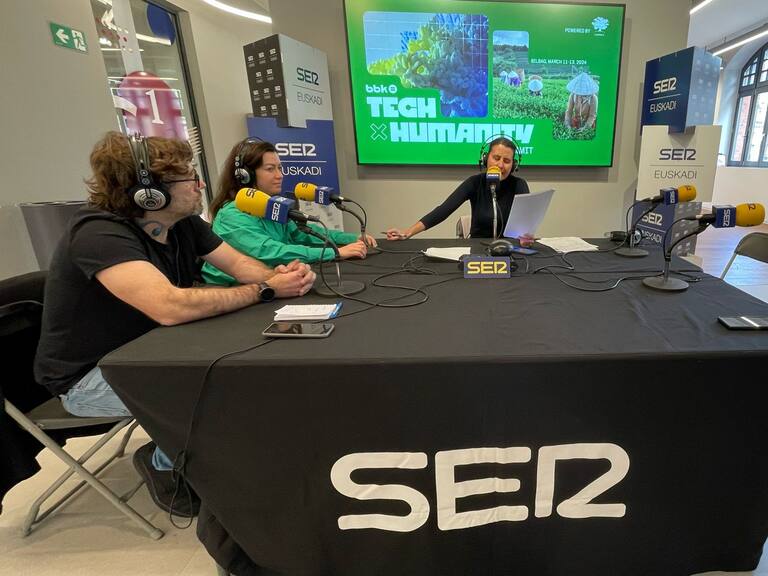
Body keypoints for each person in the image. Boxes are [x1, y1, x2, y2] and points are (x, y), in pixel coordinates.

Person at [33, 131, 316, 517]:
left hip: (150, 352)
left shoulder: (182, 222)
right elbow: (169, 307)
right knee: (220, 391)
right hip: (89, 378)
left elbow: (238, 265)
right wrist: (266, 290)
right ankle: (164, 465)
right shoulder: (98, 234)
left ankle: (191, 450)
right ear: (148, 192)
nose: (201, 184)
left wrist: (279, 277)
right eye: (189, 177)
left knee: (249, 366)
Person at [202, 139, 375, 285]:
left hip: (269, 281)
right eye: (270, 169)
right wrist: (336, 252)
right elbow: (271, 252)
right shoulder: (231, 215)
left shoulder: (270, 205)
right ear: (246, 175)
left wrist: (351, 239)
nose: (280, 175)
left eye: (280, 168)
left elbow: (302, 234)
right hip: (229, 291)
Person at [386, 137, 530, 240]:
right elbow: (443, 210)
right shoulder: (474, 183)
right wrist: (408, 232)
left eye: (506, 161)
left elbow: (526, 224)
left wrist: (526, 237)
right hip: (478, 249)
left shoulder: (519, 185)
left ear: (514, 165)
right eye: (496, 158)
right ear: (486, 159)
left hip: (510, 249)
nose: (500, 165)